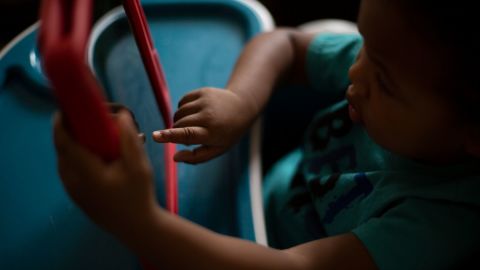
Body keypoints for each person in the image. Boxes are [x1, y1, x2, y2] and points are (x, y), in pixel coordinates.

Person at [53, 0, 480, 269]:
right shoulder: (393, 58)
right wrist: (241, 101)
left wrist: (138, 223)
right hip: (252, 193)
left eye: (383, 81)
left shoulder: (435, 225)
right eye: (364, 43)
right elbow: (287, 44)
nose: (354, 69)